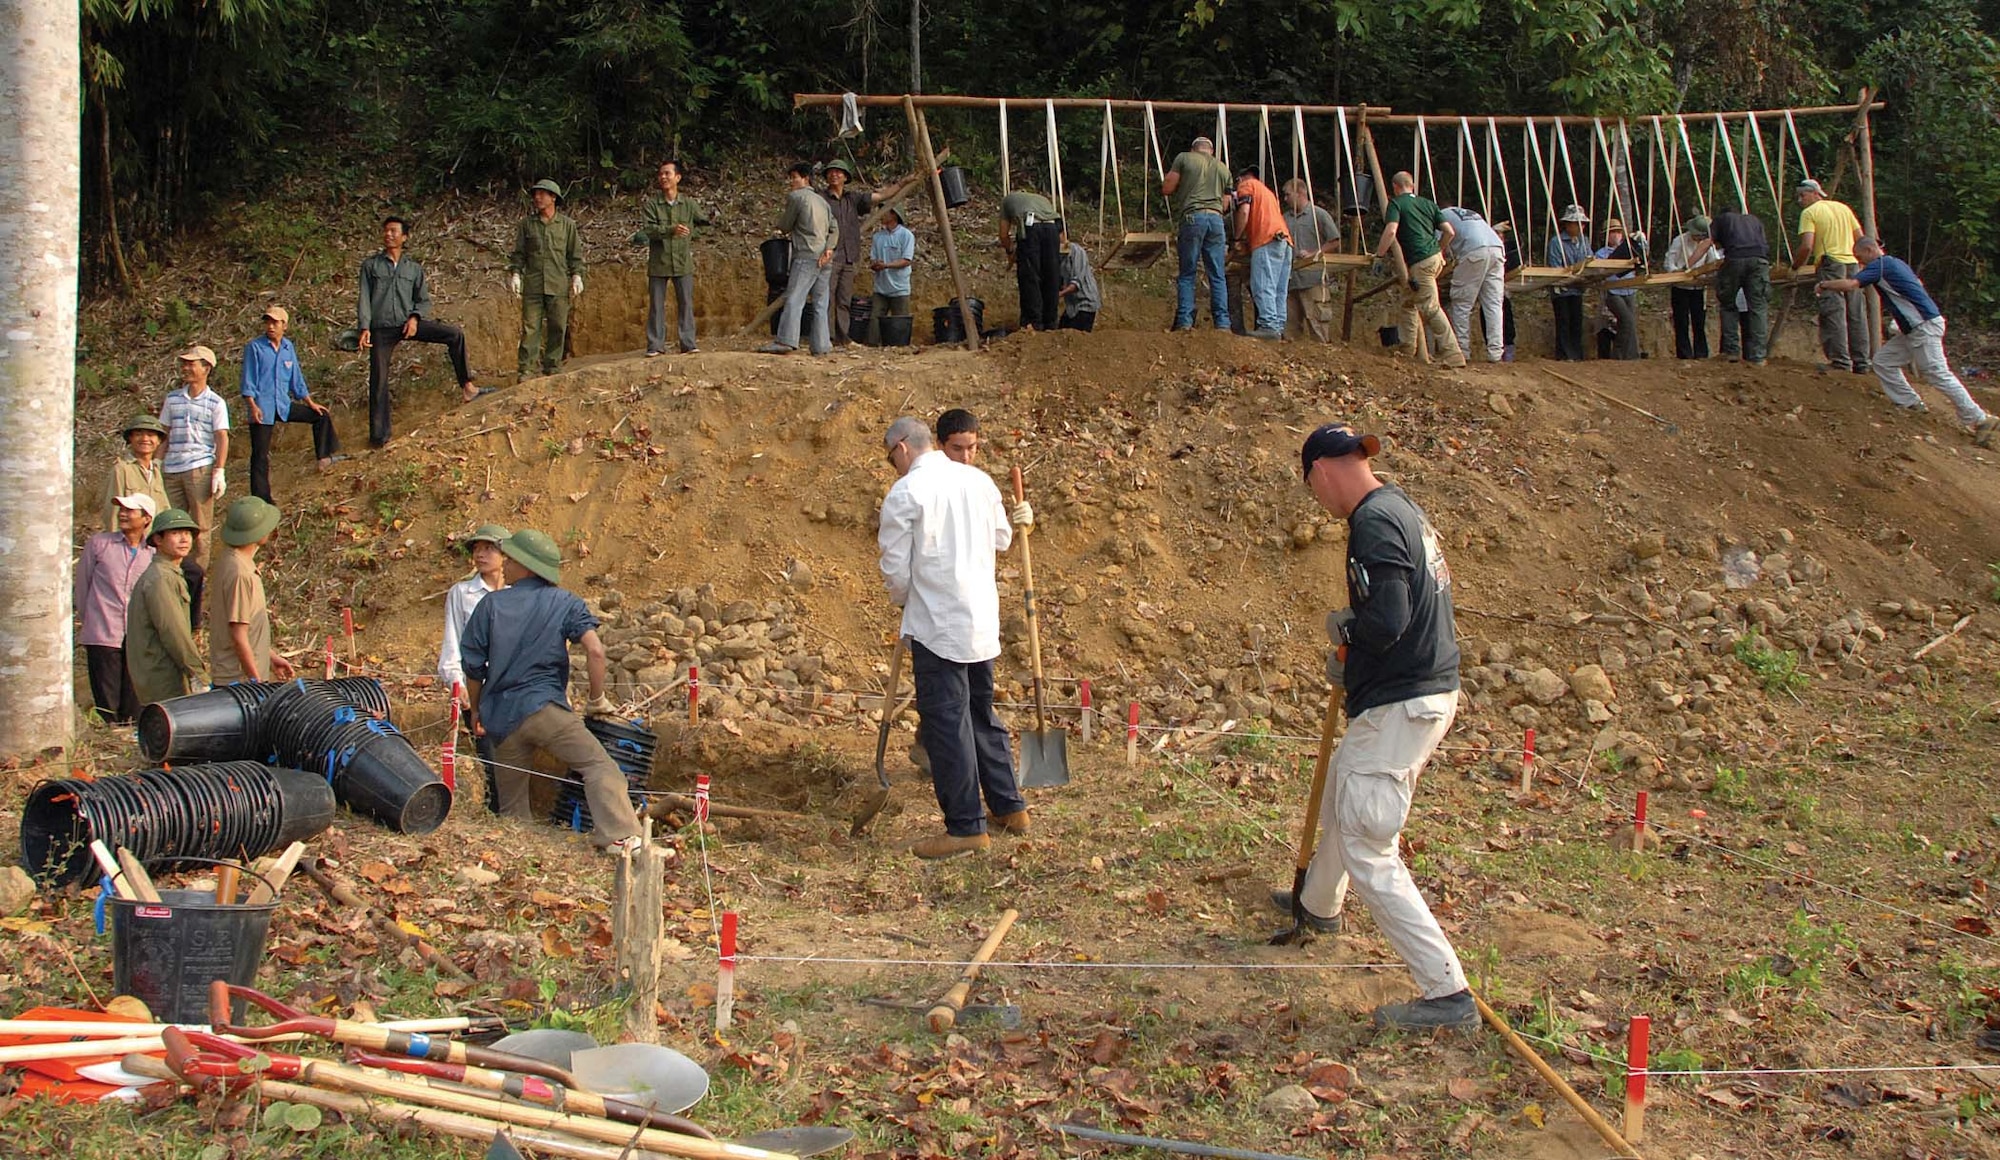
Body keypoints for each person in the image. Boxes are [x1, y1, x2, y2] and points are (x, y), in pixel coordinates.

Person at [1277, 423, 1473, 1030]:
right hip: (1415, 689)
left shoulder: (1372, 522)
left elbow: (1387, 617)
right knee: (1344, 791)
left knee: (1367, 841)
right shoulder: (1399, 507)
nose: (1319, 500)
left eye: (1314, 488)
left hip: (1402, 702)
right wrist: (1357, 659)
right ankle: (1318, 907)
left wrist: (1349, 636)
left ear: (1319, 473)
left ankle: (1446, 992)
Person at [877, 417, 1035, 859]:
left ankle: (966, 827)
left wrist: (905, 600)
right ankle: (1009, 806)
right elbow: (1003, 539)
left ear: (903, 448)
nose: (893, 465)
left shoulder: (906, 492)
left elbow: (895, 568)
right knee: (981, 713)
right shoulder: (979, 481)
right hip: (981, 620)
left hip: (937, 625)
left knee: (948, 725)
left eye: (891, 457)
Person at [459, 528, 644, 852]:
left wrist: (476, 709)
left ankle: (522, 859)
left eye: (512, 559)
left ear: (528, 566)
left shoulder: (490, 606)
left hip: (501, 719)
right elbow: (596, 651)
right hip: (546, 710)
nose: (506, 565)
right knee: (599, 767)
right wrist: (596, 700)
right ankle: (620, 836)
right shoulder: (565, 602)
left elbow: (473, 668)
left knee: (513, 808)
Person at [1819, 236, 2000, 444]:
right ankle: (1910, 403)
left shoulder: (1880, 266)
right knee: (1883, 362)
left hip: (1922, 326)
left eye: (1860, 257)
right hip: (1915, 328)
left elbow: (1851, 284)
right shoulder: (1897, 264)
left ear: (1869, 250)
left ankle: (1979, 419)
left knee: (1937, 374)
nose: (1860, 263)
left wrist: (1825, 284)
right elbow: (1917, 285)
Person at [360, 215, 477, 441]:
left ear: (405, 237)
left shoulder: (413, 269)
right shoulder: (371, 266)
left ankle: (468, 386)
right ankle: (379, 436)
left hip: (407, 324)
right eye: (386, 231)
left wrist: (414, 318)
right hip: (381, 329)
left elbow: (422, 300)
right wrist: (364, 327)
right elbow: (364, 298)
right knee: (378, 379)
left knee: (454, 335)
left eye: (394, 231)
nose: (388, 234)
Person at [438, 524, 511, 814]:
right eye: (476, 549)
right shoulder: (462, 593)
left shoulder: (517, 593)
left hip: (513, 685)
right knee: (489, 752)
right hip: (478, 684)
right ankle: (497, 811)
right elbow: (452, 639)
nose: (480, 555)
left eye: (488, 548)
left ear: (506, 555)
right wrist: (457, 683)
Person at [240, 305, 338, 501]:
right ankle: (262, 498)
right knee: (260, 455)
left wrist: (310, 402)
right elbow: (248, 379)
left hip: (282, 405)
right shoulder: (255, 348)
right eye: (268, 322)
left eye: (275, 322)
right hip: (262, 407)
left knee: (321, 416)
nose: (270, 326)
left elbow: (296, 379)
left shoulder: (287, 348)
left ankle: (324, 457)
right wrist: (253, 406)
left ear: (284, 325)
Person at [76, 494, 156, 723]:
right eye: (121, 509)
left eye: (130, 511)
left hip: (138, 636)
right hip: (103, 631)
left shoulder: (152, 553)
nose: (123, 514)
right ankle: (110, 736)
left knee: (133, 702)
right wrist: (91, 621)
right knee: (107, 704)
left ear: (146, 518)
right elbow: (82, 587)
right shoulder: (100, 544)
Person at [1372, 172, 1465, 367]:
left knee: (1430, 307)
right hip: (1435, 260)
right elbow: (1449, 231)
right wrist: (1439, 248)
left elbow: (1390, 231)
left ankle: (1453, 353)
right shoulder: (1428, 204)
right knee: (1408, 302)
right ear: (1412, 186)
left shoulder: (1396, 204)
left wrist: (1379, 256)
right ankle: (1407, 348)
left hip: (1420, 262)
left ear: (1395, 187)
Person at [821, 161, 918, 345]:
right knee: (826, 299)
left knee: (843, 301)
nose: (834, 175)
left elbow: (882, 195)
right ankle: (825, 337)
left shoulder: (853, 199)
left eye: (839, 172)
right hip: (830, 255)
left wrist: (904, 181)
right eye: (831, 172)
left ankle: (843, 338)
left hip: (849, 258)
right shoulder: (821, 199)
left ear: (845, 177)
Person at [207, 496, 295, 685]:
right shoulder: (240, 573)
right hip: (240, 683)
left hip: (241, 678)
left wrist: (269, 656)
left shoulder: (231, 560)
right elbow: (238, 636)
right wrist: (257, 684)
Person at [125, 508, 207, 706]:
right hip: (163, 676)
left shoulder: (170, 573)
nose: (184, 539)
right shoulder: (161, 578)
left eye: (187, 533)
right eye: (175, 533)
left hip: (165, 673)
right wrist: (198, 673)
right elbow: (173, 631)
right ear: (158, 540)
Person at [508, 179, 585, 380]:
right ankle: (526, 369)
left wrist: (577, 275)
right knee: (530, 328)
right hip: (533, 285)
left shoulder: (567, 226)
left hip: (558, 285)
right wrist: (516, 274)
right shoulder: (527, 225)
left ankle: (552, 366)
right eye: (536, 194)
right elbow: (519, 254)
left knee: (557, 326)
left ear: (553, 198)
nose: (538, 198)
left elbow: (574, 255)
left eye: (543, 194)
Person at [160, 345, 229, 562]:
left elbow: (221, 437)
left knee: (200, 526)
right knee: (170, 523)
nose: (186, 368)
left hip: (199, 469)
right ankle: (172, 572)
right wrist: (155, 463)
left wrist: (219, 470)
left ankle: (196, 577)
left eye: (192, 364)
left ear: (206, 368)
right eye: (185, 363)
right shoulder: (172, 399)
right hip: (172, 468)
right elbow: (165, 433)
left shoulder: (216, 402)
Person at [1792, 179, 1869, 374]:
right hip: (1852, 262)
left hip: (1830, 263)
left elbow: (1807, 245)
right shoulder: (1843, 208)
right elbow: (1860, 237)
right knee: (1855, 312)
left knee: (1833, 310)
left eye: (1803, 195)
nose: (1800, 200)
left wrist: (1796, 265)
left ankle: (1840, 361)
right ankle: (1861, 361)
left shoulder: (1810, 213)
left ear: (1816, 194)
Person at [761, 162, 838, 357]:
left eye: (794, 177)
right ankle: (821, 345)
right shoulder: (822, 201)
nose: (791, 182)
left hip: (806, 255)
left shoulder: (796, 197)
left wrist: (780, 227)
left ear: (805, 178)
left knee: (795, 297)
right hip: (824, 256)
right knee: (821, 302)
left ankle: (786, 340)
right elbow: (834, 228)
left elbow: (786, 225)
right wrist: (829, 248)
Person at [637, 161, 710, 356]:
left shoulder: (689, 204)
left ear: (678, 178)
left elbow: (705, 224)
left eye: (667, 174)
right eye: (660, 174)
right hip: (659, 263)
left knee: (686, 303)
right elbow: (648, 230)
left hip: (682, 262)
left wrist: (690, 233)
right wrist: (671, 230)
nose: (663, 177)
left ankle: (688, 343)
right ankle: (655, 346)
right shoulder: (652, 205)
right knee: (656, 306)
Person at [1162, 136, 1233, 331]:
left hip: (1193, 217)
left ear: (1193, 149)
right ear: (1211, 151)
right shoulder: (1223, 168)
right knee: (1217, 274)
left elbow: (1167, 187)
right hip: (1216, 220)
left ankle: (1185, 321)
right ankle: (1223, 323)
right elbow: (1226, 203)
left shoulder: (1184, 158)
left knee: (1187, 273)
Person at [1440, 205, 1506, 363]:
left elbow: (1440, 244)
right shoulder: (1469, 213)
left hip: (1473, 250)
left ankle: (1462, 351)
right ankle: (1496, 353)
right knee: (1493, 304)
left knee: (1462, 303)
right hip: (1497, 249)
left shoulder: (1439, 216)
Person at [1232, 167, 1292, 339]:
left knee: (1263, 284)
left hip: (1267, 239)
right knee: (1279, 289)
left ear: (1240, 179)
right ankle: (1278, 328)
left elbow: (1244, 211)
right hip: (1285, 241)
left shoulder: (1247, 185)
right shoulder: (1267, 193)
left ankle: (1268, 326)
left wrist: (1237, 238)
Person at [1709, 203, 1770, 365]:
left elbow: (1709, 243)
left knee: (1728, 304)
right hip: (1760, 260)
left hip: (1735, 259)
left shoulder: (1721, 220)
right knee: (1758, 307)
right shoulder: (1754, 220)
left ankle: (1731, 351)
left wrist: (1688, 267)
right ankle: (1758, 356)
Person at [1282, 179, 1340, 343]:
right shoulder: (1284, 218)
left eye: (1287, 195)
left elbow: (1334, 240)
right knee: (1289, 328)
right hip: (1291, 280)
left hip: (1313, 279)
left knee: (1318, 325)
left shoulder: (1318, 214)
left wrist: (1314, 253)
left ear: (1299, 193)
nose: (1285, 199)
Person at [1000, 188, 1063, 332]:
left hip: (1031, 227)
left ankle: (1032, 323)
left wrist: (1010, 252)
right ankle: (1050, 323)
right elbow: (1061, 233)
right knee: (1051, 276)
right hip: (1053, 229)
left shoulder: (1007, 201)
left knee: (1030, 277)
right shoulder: (1042, 199)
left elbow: (1003, 235)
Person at [103, 414, 171, 531]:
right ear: (130, 438)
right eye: (139, 434)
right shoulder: (122, 469)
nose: (145, 439)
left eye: (150, 435)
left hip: (153, 542)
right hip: (130, 542)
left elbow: (164, 509)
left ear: (159, 441)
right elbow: (113, 512)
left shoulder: (155, 471)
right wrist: (115, 542)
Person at [1663, 215, 1716, 359]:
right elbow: (1669, 261)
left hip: (1698, 288)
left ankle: (1701, 353)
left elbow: (1713, 262)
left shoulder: (1707, 244)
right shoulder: (1679, 240)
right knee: (1681, 322)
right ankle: (1684, 354)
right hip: (1680, 286)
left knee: (1699, 322)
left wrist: (1703, 275)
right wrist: (1676, 272)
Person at [1546, 205, 1593, 360]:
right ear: (1567, 224)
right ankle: (1564, 354)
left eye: (1583, 224)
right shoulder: (1556, 242)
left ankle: (1576, 354)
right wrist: (1574, 276)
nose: (1581, 227)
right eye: (1577, 223)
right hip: (1561, 289)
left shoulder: (1584, 242)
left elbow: (1589, 261)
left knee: (1576, 321)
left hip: (1577, 288)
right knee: (1564, 321)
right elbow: (1555, 267)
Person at [1594, 220, 1643, 361]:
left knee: (1631, 323)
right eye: (1613, 232)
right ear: (1606, 236)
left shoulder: (1630, 250)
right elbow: (1601, 272)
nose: (1616, 235)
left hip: (1629, 290)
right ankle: (1618, 355)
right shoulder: (1601, 254)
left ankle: (1632, 356)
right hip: (1613, 292)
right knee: (1626, 321)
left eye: (1618, 232)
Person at [867, 207, 916, 344]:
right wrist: (876, 265)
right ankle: (872, 347)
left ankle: (898, 350)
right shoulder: (878, 237)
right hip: (881, 287)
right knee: (875, 321)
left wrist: (886, 266)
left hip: (899, 288)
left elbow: (906, 260)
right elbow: (872, 259)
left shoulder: (906, 235)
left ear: (894, 215)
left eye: (885, 211)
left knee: (899, 324)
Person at [1057, 232, 1101, 332]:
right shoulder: (1060, 254)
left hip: (1086, 302)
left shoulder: (1076, 251)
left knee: (1076, 335)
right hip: (1072, 305)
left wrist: (1059, 294)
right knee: (1061, 331)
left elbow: (1076, 283)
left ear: (1063, 234)